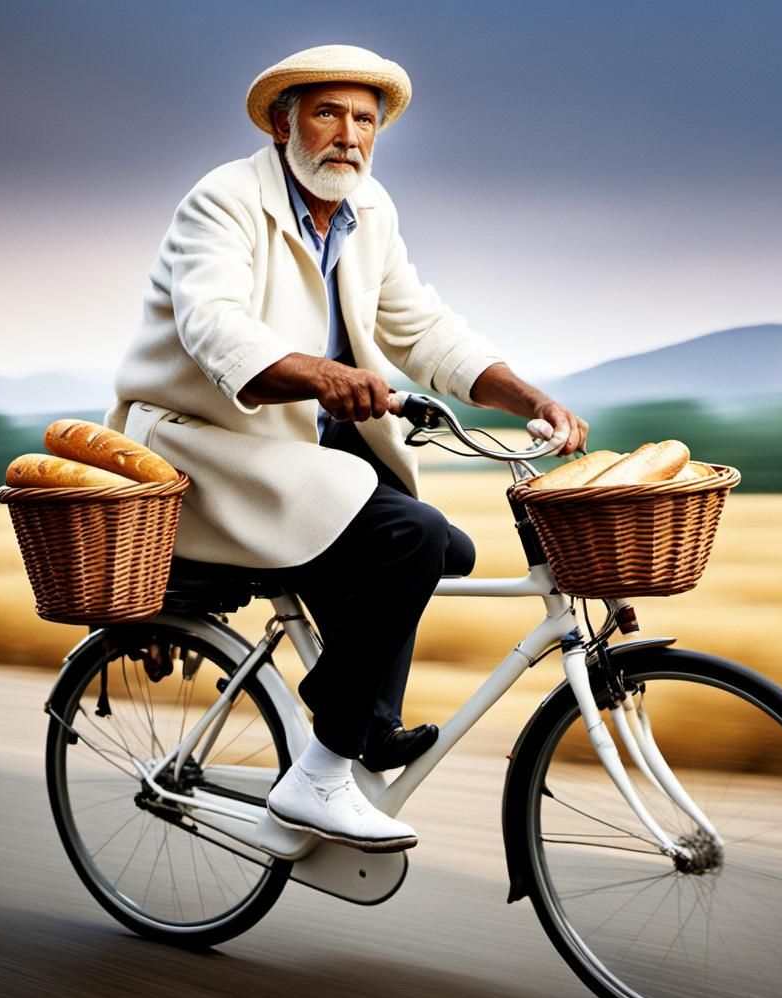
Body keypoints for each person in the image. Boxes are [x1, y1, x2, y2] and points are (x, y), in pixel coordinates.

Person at [104, 44, 588, 852]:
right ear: (284, 121)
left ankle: (363, 720)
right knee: (411, 537)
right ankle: (321, 771)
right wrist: (326, 376)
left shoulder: (371, 212)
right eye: (329, 113)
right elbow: (214, 325)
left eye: (366, 120)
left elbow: (424, 327)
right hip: (209, 449)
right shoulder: (222, 201)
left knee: (446, 548)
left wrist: (528, 396)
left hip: (307, 455)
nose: (349, 136)